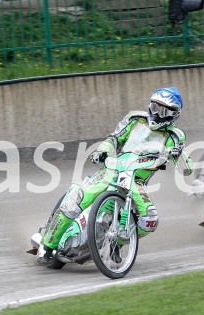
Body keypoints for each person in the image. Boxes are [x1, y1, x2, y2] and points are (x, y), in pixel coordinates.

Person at [38, 87, 194, 266]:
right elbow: (113, 139)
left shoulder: (176, 136)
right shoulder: (135, 119)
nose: (156, 113)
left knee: (149, 221)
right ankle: (47, 245)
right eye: (154, 106)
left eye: (163, 110)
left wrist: (178, 154)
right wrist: (102, 151)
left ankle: (116, 243)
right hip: (111, 171)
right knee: (76, 198)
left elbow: (186, 170)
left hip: (136, 181)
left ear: (173, 114)